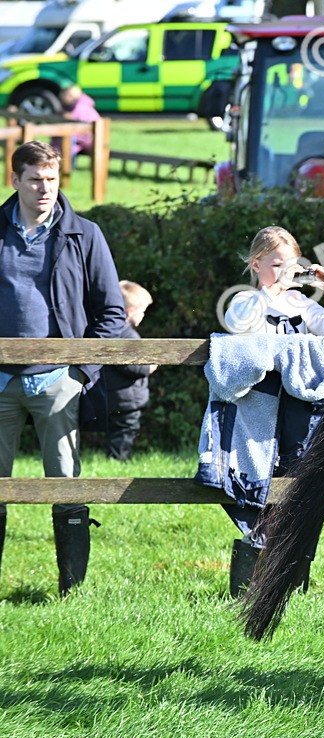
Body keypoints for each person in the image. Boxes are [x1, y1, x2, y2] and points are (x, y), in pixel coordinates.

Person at [0, 141, 125, 594]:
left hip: (58, 381)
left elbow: (113, 312)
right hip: (0, 381)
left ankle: (70, 591)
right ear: (14, 180)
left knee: (67, 486)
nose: (44, 189)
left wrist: (79, 368)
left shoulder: (83, 233)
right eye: (35, 179)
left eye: (51, 179)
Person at [221, 225, 324, 596]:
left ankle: (291, 570)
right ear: (256, 264)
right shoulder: (246, 300)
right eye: (276, 265)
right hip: (259, 404)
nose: (285, 273)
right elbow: (238, 324)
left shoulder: (301, 305)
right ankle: (253, 557)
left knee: (295, 473)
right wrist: (272, 291)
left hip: (298, 400)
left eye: (291, 266)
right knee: (255, 471)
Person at [103, 280, 154, 461]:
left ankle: (114, 461)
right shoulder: (127, 334)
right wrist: (149, 366)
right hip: (126, 399)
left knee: (117, 433)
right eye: (142, 311)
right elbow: (128, 364)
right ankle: (118, 465)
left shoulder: (110, 330)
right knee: (124, 433)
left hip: (116, 397)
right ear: (131, 311)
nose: (143, 316)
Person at [59, 85, 101, 159]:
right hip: (88, 137)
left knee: (65, 143)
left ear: (70, 95)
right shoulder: (82, 103)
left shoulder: (81, 106)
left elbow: (73, 119)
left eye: (64, 96)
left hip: (90, 139)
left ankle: (66, 165)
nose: (62, 98)